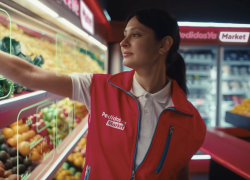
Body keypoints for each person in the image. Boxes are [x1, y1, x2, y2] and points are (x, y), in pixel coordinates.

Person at [0, 8, 206, 180]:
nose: (123, 42)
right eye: (124, 34)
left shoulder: (191, 122)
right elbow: (30, 73)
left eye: (135, 34)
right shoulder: (98, 87)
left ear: (164, 44)